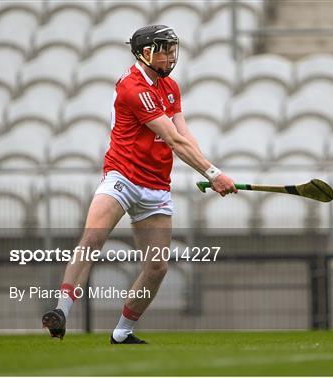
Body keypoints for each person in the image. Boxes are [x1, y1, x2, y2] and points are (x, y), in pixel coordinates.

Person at [41, 25, 237, 344]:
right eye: (164, 48)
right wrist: (213, 175)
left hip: (156, 186)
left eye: (173, 48)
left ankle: (122, 331)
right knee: (92, 237)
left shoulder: (170, 87)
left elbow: (184, 134)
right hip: (123, 176)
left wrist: (210, 170)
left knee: (157, 266)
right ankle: (61, 310)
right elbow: (173, 139)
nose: (171, 54)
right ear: (144, 52)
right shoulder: (133, 87)